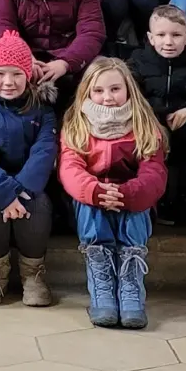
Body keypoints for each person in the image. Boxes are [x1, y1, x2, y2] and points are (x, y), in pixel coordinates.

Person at [59, 58, 166, 329]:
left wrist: (128, 193)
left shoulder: (144, 124)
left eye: (115, 89)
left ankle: (130, 286)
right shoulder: (76, 125)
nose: (107, 97)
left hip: (131, 197)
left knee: (137, 213)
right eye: (98, 91)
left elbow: (154, 173)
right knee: (89, 209)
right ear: (87, 93)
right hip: (92, 198)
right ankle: (102, 284)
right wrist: (94, 191)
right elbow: (70, 168)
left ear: (128, 90)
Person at [0, 30, 58, 308]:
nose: (8, 82)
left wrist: (21, 191)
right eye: (1, 73)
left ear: (28, 74)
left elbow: (44, 152)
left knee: (36, 202)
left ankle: (33, 275)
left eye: (16, 73)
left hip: (31, 184)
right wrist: (5, 193)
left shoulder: (42, 107)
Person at [128, 6, 186, 227]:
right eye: (161, 35)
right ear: (150, 37)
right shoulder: (137, 63)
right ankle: (156, 203)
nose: (169, 42)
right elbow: (132, 99)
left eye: (176, 35)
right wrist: (160, 114)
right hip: (152, 131)